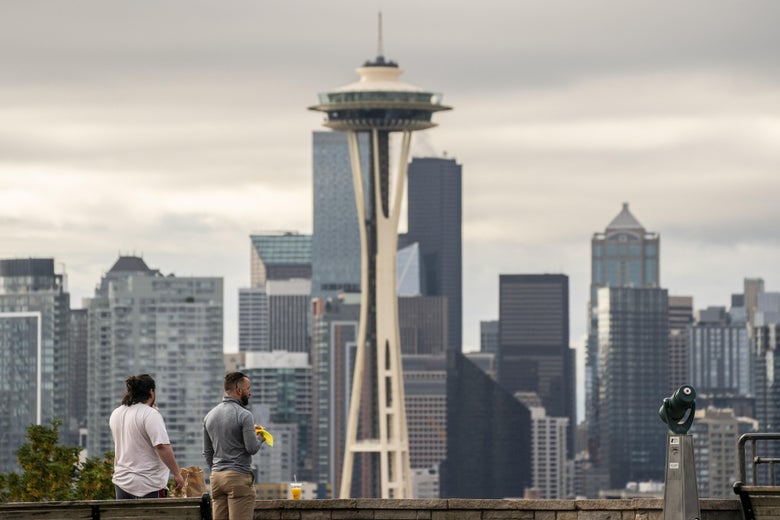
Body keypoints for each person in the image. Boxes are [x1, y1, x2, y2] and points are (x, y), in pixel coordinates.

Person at [109, 374, 185, 499]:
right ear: (151, 392)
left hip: (122, 482)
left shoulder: (116, 413)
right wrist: (177, 473)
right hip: (149, 484)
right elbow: (161, 446)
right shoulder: (150, 414)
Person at [203, 371, 265, 520]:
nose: (249, 393)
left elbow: (207, 451)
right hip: (238, 478)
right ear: (239, 390)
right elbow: (252, 448)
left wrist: (216, 471)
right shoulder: (244, 415)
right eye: (248, 389)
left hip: (216, 478)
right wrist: (260, 438)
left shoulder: (209, 416)